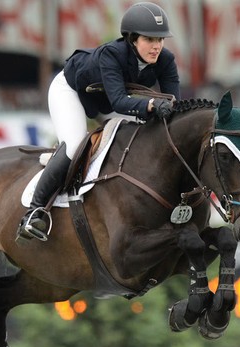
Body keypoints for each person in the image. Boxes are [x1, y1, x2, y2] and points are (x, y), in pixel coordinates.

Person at [16, 2, 181, 243]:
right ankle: (35, 210)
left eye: (161, 40)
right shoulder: (112, 55)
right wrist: (151, 105)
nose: (157, 46)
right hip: (71, 92)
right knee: (74, 144)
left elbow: (173, 103)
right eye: (149, 39)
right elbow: (119, 100)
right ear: (132, 39)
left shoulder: (166, 60)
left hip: (104, 104)